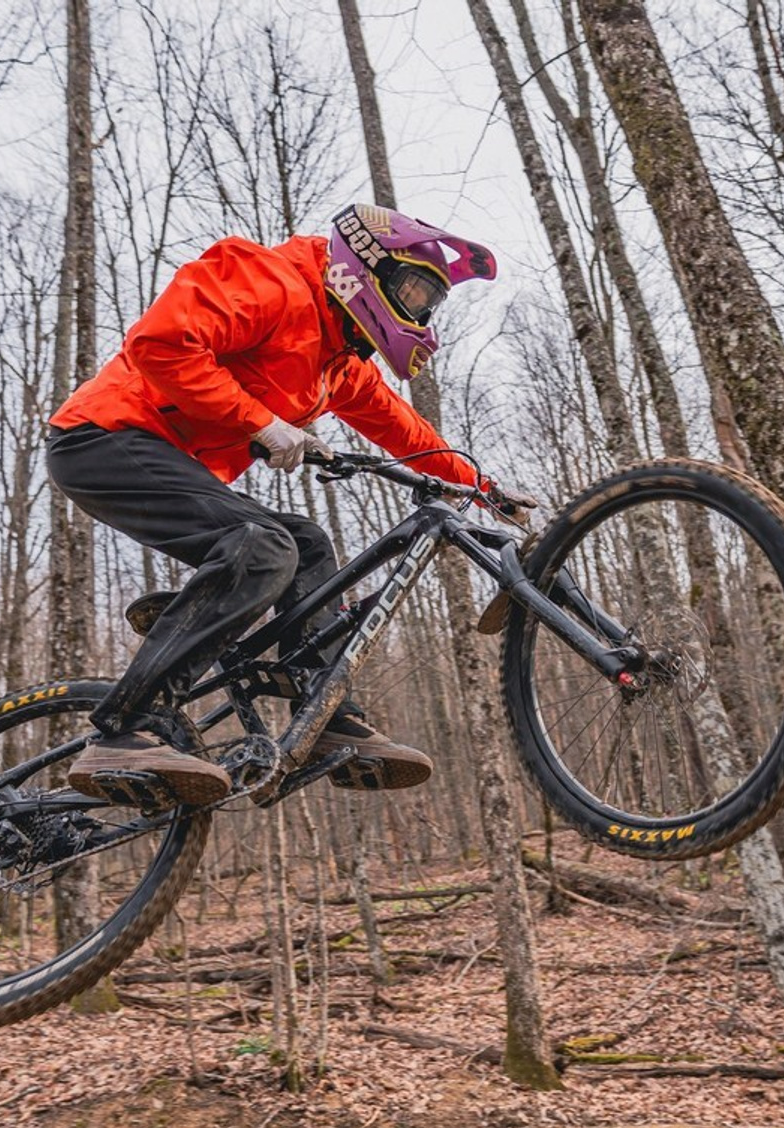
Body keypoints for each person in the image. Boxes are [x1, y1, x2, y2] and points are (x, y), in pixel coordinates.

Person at [46, 203, 512, 808]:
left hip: (170, 461)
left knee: (310, 543)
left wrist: (484, 486)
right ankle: (129, 727)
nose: (419, 312)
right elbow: (162, 344)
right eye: (415, 292)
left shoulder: (338, 364)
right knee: (264, 546)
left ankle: (323, 717)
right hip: (101, 437)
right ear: (365, 266)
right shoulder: (271, 280)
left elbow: (411, 435)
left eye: (429, 303)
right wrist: (261, 422)